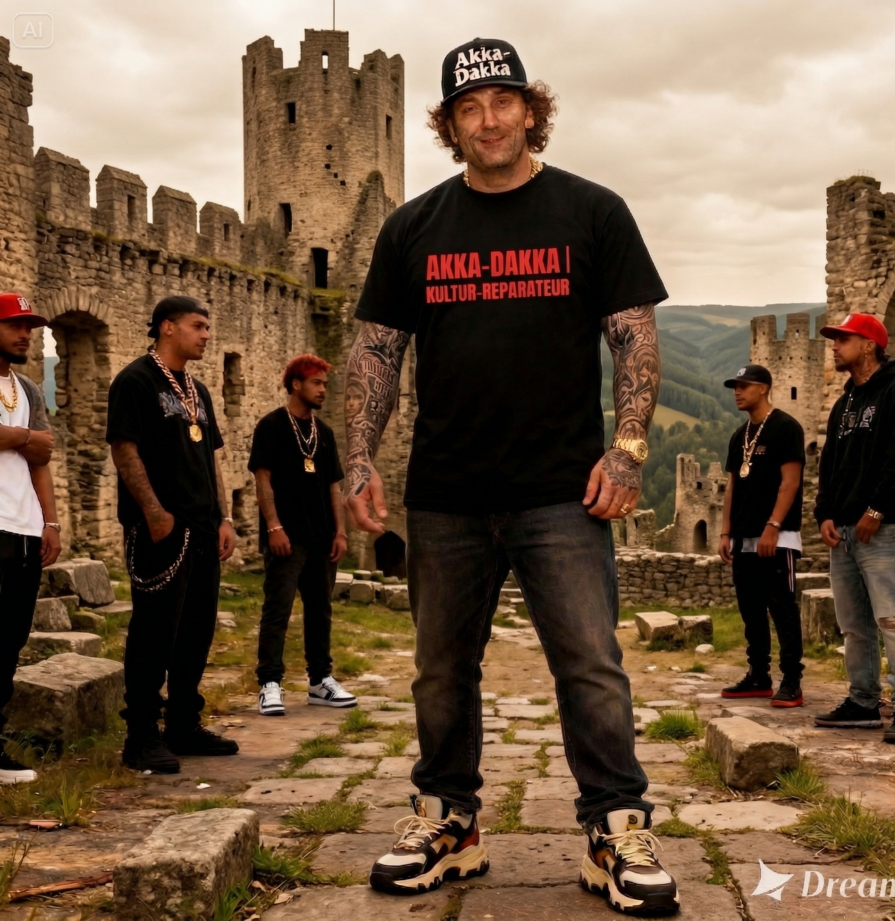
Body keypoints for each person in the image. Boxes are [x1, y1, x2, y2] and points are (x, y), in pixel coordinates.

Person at [344, 38, 679, 917]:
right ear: (450, 125)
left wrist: (629, 447)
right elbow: (377, 351)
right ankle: (448, 820)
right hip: (446, 489)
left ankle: (616, 827)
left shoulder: (592, 211)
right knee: (440, 669)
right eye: (469, 107)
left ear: (531, 110)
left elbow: (633, 336)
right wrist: (358, 457)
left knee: (591, 663)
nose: (488, 119)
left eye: (502, 101)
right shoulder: (412, 228)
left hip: (561, 490)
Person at [106, 296, 239, 773]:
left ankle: (183, 724)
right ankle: (141, 735)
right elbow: (124, 449)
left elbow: (211, 456)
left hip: (203, 526)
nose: (206, 335)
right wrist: (154, 513)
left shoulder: (197, 389)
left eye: (208, 327)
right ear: (167, 327)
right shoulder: (136, 381)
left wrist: (224, 516)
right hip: (160, 529)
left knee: (196, 631)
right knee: (154, 631)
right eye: (198, 326)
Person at [813, 313, 895, 744]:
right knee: (854, 624)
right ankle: (863, 701)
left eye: (843, 339)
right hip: (843, 530)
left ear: (868, 345)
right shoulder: (844, 404)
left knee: (894, 618)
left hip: (885, 529)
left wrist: (877, 510)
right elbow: (829, 464)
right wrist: (824, 513)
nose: (834, 345)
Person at [249, 354, 354, 716]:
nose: (323, 390)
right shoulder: (271, 426)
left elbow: (334, 487)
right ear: (296, 384)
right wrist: (274, 527)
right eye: (316, 383)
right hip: (287, 536)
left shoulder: (324, 432)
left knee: (320, 610)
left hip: (322, 536)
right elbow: (263, 481)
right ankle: (269, 683)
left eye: (325, 383)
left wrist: (341, 532)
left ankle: (320, 681)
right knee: (277, 609)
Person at [717, 364, 806, 707]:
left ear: (764, 388)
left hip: (778, 537)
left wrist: (773, 526)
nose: (737, 392)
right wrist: (726, 532)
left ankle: (792, 680)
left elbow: (790, 482)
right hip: (743, 538)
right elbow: (732, 487)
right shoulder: (739, 435)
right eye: (735, 387)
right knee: (751, 610)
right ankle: (758, 675)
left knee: (782, 608)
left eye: (744, 386)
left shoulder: (786, 427)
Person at [0, 293, 60, 785]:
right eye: (14, 326)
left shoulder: (28, 390)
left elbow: (44, 459)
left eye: (29, 327)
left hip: (23, 529)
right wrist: (23, 438)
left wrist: (51, 522)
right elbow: (34, 444)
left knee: (9, 643)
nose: (25, 335)